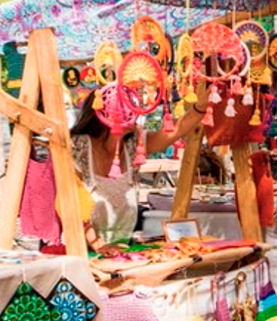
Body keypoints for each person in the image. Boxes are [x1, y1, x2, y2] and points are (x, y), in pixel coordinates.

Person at [70, 83, 206, 248]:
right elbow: (71, 208)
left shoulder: (135, 145)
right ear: (111, 113)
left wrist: (201, 107)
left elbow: (177, 130)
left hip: (121, 250)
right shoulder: (77, 147)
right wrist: (100, 245)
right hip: (80, 253)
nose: (136, 112)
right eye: (129, 107)